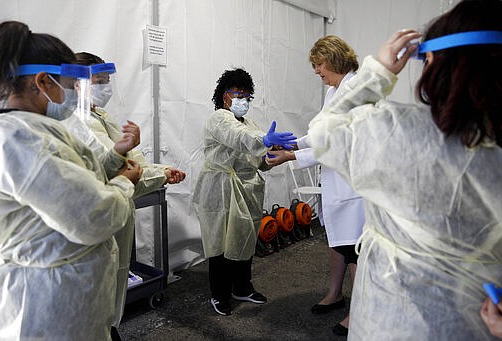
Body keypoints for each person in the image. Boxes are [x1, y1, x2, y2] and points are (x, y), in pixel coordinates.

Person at [306, 0, 502, 339]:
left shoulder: (401, 133)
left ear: (438, 65)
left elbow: (324, 133)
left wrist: (378, 72)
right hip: (478, 326)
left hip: (394, 321)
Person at [0, 21, 143, 340]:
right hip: (48, 298)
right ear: (42, 81)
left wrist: (115, 161)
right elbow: (94, 216)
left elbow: (79, 175)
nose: (76, 95)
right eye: (71, 84)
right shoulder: (22, 141)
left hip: (61, 287)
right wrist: (124, 183)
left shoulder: (31, 130)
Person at [65, 51, 185, 334]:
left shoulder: (100, 117)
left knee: (111, 291)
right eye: (99, 81)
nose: (105, 87)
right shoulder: (78, 122)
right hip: (98, 224)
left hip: (114, 219)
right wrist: (153, 173)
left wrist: (161, 171)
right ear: (77, 84)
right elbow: (118, 172)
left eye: (107, 81)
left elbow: (131, 165)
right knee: (96, 301)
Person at [265, 35, 364, 336]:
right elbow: (321, 134)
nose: (317, 71)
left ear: (333, 59)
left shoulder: (356, 92)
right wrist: (294, 141)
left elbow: (340, 143)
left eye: (319, 64)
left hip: (353, 183)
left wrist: (292, 155)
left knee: (354, 249)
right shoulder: (335, 90)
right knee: (337, 240)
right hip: (336, 181)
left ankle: (359, 312)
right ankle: (335, 294)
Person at [192, 68, 296, 316]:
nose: (242, 99)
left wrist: (271, 156)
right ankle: (219, 294)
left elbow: (256, 156)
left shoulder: (250, 124)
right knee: (220, 241)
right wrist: (264, 141)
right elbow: (237, 138)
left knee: (245, 239)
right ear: (224, 95)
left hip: (247, 189)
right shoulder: (219, 118)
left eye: (246, 95)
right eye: (237, 93)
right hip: (221, 189)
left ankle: (242, 287)